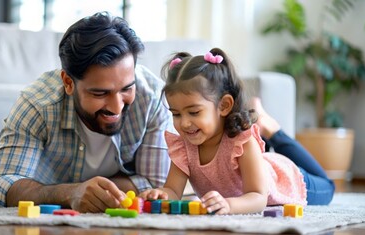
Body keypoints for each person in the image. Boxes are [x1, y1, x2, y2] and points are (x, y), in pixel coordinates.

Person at [0, 12, 173, 213]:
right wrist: (70, 193)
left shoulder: (153, 98)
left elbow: (154, 183)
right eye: (100, 93)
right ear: (68, 82)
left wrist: (94, 192)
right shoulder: (37, 104)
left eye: (126, 89)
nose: (117, 107)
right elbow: (2, 186)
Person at [139, 48, 335, 214]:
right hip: (261, 164)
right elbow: (173, 191)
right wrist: (162, 194)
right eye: (176, 114)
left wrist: (229, 205)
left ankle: (274, 132)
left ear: (224, 106)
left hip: (287, 179)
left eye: (194, 112)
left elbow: (258, 197)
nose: (185, 123)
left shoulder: (242, 142)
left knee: (329, 187)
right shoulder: (183, 147)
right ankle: (269, 129)